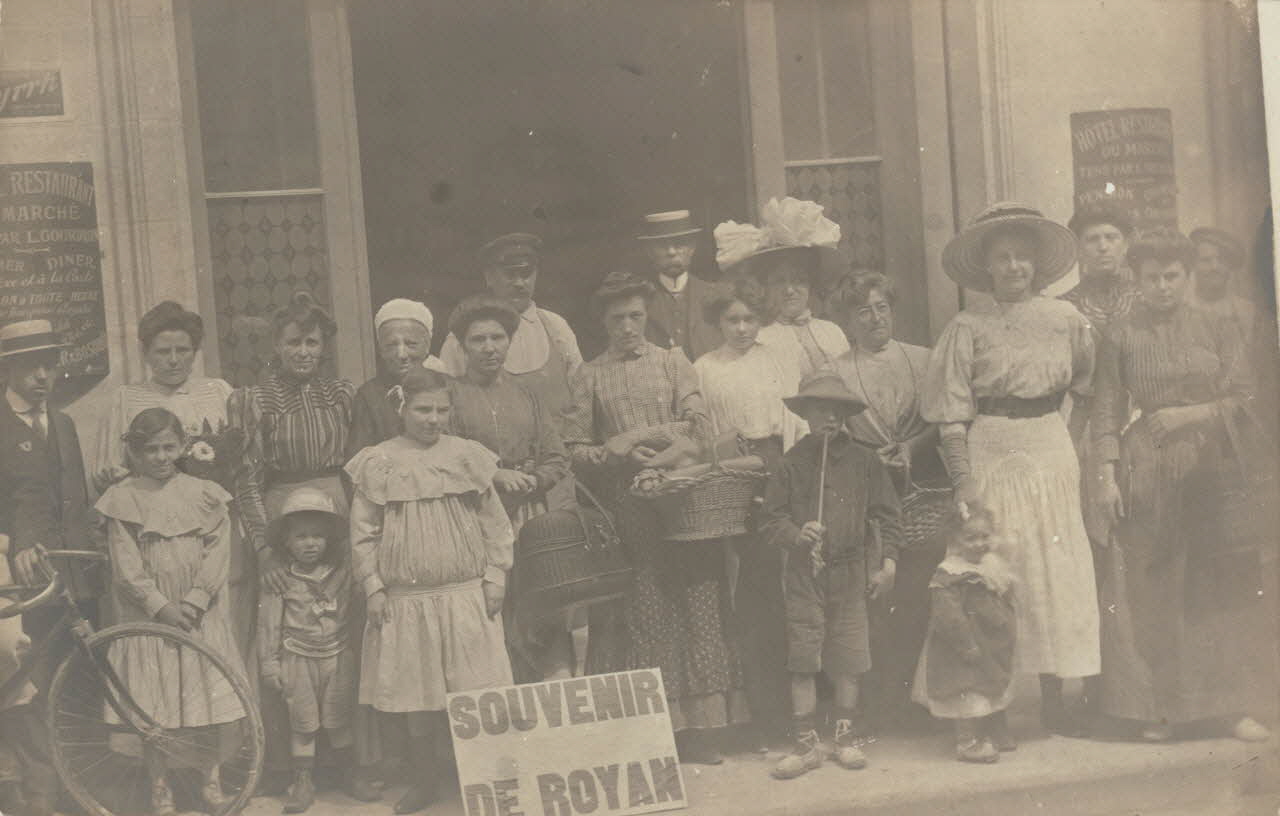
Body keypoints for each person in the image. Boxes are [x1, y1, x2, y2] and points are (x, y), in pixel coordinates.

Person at [922, 202, 1099, 737]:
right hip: (991, 447)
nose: (1015, 267)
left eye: (1024, 257)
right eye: (1003, 258)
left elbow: (1086, 389)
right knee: (991, 569)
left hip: (1048, 447)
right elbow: (950, 415)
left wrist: (1063, 444)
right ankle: (990, 704)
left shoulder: (1067, 321)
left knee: (1053, 565)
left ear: (1038, 265)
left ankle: (1057, 700)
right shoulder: (967, 326)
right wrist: (963, 480)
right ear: (987, 266)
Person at [1093, 230, 1274, 743]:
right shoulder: (1120, 335)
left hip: (1209, 464)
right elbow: (1106, 412)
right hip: (1145, 468)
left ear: (1187, 275)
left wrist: (1187, 414)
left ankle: (1227, 708)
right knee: (1152, 589)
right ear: (1137, 278)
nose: (1163, 286)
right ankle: (1158, 709)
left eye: (1173, 275)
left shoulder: (1215, 326)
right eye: (1152, 277)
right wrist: (1106, 476)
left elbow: (1244, 397)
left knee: (1213, 585)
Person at [564, 270, 747, 765]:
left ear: (648, 316)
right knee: (647, 607)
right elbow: (575, 450)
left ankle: (705, 730)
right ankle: (658, 731)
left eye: (636, 315)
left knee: (699, 601)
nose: (628, 326)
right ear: (602, 321)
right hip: (628, 507)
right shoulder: (589, 374)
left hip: (684, 499)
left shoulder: (673, 363)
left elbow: (700, 423)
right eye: (618, 317)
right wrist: (613, 450)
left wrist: (651, 440)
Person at [346, 369, 514, 814]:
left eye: (442, 409)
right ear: (401, 408)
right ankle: (426, 780)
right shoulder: (379, 461)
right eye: (423, 409)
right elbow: (363, 532)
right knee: (418, 694)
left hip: (465, 595)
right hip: (407, 600)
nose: (432, 418)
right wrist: (373, 586)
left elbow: (494, 523)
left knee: (475, 687)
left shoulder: (466, 456)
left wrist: (496, 575)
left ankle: (481, 776)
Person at [228, 292, 358, 793]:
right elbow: (246, 479)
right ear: (275, 347)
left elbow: (353, 467)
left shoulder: (341, 394)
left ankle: (346, 763)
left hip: (337, 512)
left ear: (322, 347)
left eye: (311, 342)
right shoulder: (254, 401)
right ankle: (290, 769)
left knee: (343, 632)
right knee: (284, 635)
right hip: (283, 518)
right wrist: (264, 547)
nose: (303, 351)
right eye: (292, 342)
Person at [95, 408, 246, 816]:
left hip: (199, 615)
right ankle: (160, 787)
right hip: (150, 621)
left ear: (182, 446)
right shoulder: (122, 498)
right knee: (154, 704)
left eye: (168, 447)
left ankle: (210, 783)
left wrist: (195, 600)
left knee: (207, 701)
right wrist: (160, 607)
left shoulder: (204, 492)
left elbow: (217, 552)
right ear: (135, 453)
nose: (161, 457)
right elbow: (126, 566)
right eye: (151, 450)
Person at [89, 302, 253, 659]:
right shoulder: (126, 399)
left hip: (208, 530)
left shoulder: (218, 391)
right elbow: (108, 472)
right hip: (153, 539)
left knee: (217, 626)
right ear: (146, 353)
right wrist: (111, 475)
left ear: (195, 351)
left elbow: (241, 462)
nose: (174, 360)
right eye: (163, 351)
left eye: (183, 350)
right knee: (158, 637)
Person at [760, 372, 902, 779]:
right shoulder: (790, 464)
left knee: (849, 660)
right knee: (804, 659)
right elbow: (770, 521)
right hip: (806, 575)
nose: (830, 417)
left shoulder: (864, 461)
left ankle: (843, 737)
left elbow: (889, 516)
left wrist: (887, 563)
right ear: (805, 414)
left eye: (837, 410)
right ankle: (805, 745)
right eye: (821, 409)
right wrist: (796, 532)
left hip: (850, 572)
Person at [828, 272, 945, 732]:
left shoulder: (923, 359)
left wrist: (912, 448)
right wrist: (868, 458)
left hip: (922, 492)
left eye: (882, 308)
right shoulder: (835, 371)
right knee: (874, 597)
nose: (876, 319)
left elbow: (943, 418)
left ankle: (920, 700)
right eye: (863, 311)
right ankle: (877, 705)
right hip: (866, 495)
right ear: (847, 322)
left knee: (920, 594)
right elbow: (832, 435)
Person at [445, 295, 574, 680]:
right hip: (476, 519)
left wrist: (536, 479)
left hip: (528, 516)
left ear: (509, 342)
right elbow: (446, 454)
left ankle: (553, 695)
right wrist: (494, 475)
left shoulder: (527, 395)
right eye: (478, 340)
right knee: (489, 609)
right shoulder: (451, 396)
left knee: (539, 606)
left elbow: (556, 455)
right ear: (463, 346)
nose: (489, 348)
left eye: (497, 338)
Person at [0, 319, 97, 816]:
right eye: (29, 366)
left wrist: (84, 561)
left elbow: (74, 499)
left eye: (48, 364)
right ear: (8, 369)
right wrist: (16, 546)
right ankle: (40, 798)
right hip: (19, 578)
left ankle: (80, 792)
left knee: (74, 678)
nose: (42, 375)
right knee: (30, 685)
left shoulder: (63, 423)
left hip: (69, 572)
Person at [693, 293, 793, 738]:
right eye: (732, 319)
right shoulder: (704, 367)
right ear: (718, 321)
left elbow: (794, 421)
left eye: (750, 318)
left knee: (778, 581)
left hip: (776, 464)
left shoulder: (779, 360)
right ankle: (752, 714)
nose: (741, 328)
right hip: (728, 470)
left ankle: (791, 711)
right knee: (738, 586)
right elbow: (703, 431)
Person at [258, 487, 360, 813]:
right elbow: (269, 624)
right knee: (302, 724)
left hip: (336, 655)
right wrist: (270, 664)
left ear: (330, 538)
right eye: (301, 537)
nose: (310, 543)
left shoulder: (342, 574)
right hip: (297, 658)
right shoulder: (280, 579)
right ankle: (302, 781)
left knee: (340, 719)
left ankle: (349, 774)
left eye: (318, 536)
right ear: (286, 542)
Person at [911, 501, 1017, 764]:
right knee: (966, 694)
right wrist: (964, 643)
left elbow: (1004, 596)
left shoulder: (990, 565)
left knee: (987, 687)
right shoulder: (950, 572)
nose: (979, 544)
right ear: (956, 539)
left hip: (989, 641)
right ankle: (967, 741)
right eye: (971, 538)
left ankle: (989, 731)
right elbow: (947, 615)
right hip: (962, 645)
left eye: (985, 536)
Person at [439, 233, 584, 421]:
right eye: (510, 274)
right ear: (489, 277)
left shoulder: (556, 326)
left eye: (526, 274)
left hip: (564, 443)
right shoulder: (464, 334)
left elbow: (583, 392)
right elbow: (445, 399)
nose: (519, 283)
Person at [348, 298, 448, 457]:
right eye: (391, 345)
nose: (401, 354)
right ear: (380, 349)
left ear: (427, 345)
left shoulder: (447, 387)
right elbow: (358, 462)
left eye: (411, 344)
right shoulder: (368, 396)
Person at [637, 211, 731, 361]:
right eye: (662, 245)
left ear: (692, 248)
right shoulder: (640, 300)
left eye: (679, 243)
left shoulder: (715, 294)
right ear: (649, 252)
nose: (671, 252)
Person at [1059, 209, 1139, 335]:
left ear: (1126, 245)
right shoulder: (1064, 306)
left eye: (1111, 238)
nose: (1103, 247)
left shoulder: (1146, 299)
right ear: (1079, 248)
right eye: (1092, 239)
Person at [1188, 226, 1259, 344]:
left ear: (1230, 266)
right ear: (1192, 265)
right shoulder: (1181, 309)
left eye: (1221, 260)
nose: (1215, 267)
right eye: (1206, 260)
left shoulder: (1247, 311)